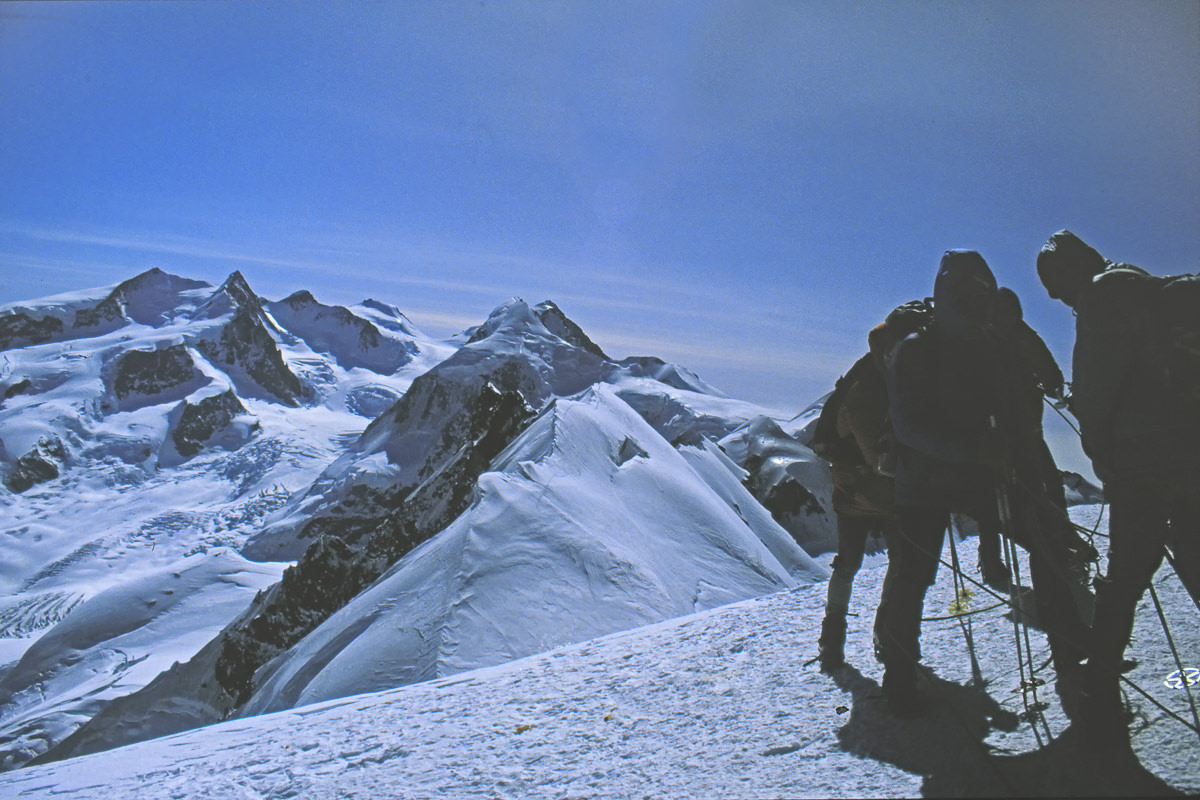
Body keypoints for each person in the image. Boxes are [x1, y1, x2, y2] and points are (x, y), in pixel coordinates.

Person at [876, 250, 1090, 717]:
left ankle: (1073, 650)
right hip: (953, 477)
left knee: (918, 576)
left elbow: (999, 413)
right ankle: (898, 676)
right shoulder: (928, 348)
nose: (975, 304)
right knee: (917, 576)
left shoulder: (942, 347)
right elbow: (910, 425)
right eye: (969, 295)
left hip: (935, 481)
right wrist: (985, 452)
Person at [1037, 229, 1200, 746]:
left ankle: (1099, 691)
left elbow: (1097, 387)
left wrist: (1099, 450)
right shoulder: (1155, 292)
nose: (1058, 300)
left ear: (1071, 272)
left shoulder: (1102, 298)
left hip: (1141, 467)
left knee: (1125, 579)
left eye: (1057, 287)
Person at [814, 324, 901, 670]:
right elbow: (874, 454)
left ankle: (831, 643)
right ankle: (887, 632)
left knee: (847, 565)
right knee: (900, 562)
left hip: (851, 491)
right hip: (881, 491)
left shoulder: (864, 379)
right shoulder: (872, 388)